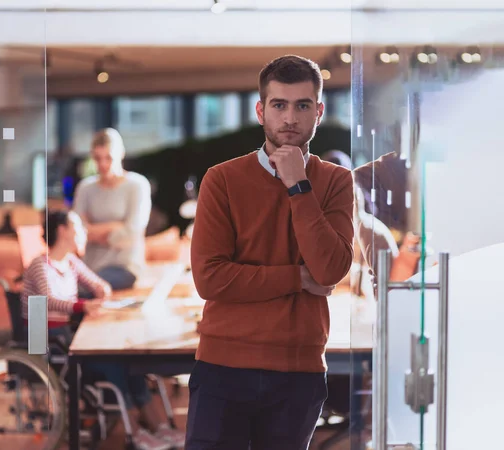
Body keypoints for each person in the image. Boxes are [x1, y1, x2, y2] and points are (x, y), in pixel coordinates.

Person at [186, 55, 355, 450]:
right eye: (279, 105)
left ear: (319, 111)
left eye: (302, 105)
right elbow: (209, 278)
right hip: (222, 366)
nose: (290, 118)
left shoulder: (335, 181)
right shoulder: (222, 179)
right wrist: (296, 277)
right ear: (261, 111)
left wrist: (298, 185)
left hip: (298, 369)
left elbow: (329, 269)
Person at [21, 210, 184, 450]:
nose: (84, 232)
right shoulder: (40, 264)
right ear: (63, 231)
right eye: (78, 227)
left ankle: (160, 428)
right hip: (48, 341)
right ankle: (136, 433)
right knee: (114, 363)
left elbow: (97, 282)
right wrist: (83, 305)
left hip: (67, 335)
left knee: (130, 363)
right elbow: (48, 300)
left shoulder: (70, 261)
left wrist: (102, 289)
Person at [73, 128, 152, 290]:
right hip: (89, 267)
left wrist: (92, 231)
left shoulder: (137, 185)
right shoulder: (85, 188)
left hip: (124, 267)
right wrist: (115, 226)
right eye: (97, 158)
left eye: (108, 158)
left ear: (121, 154)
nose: (103, 164)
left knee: (84, 290)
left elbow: (131, 236)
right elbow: (76, 233)